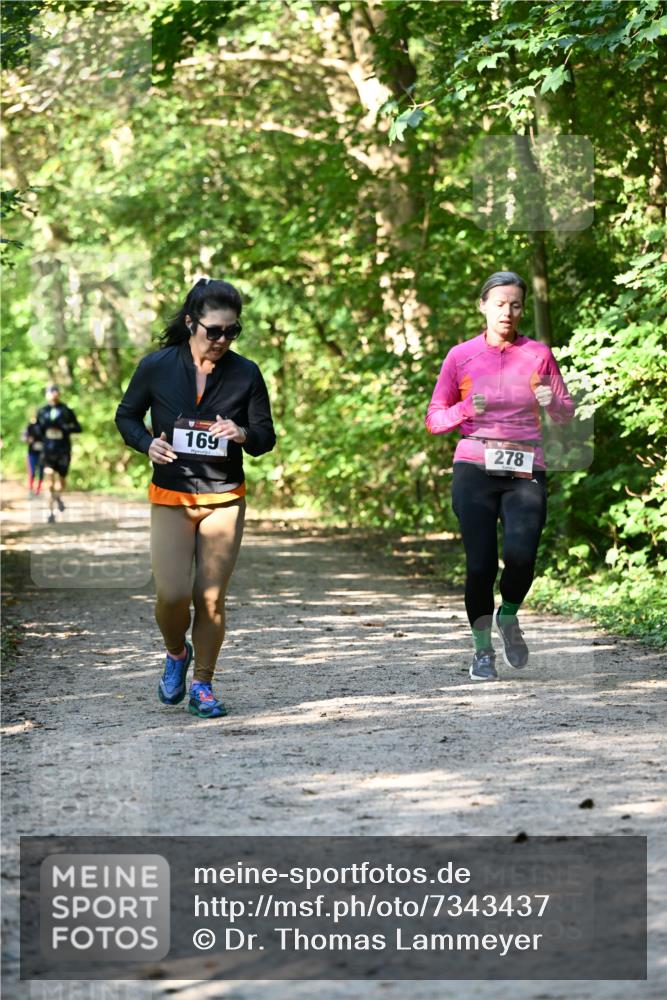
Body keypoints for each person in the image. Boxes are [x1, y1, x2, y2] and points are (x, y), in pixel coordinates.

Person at [115, 277, 276, 719]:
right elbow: (126, 415)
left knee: (209, 598)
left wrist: (243, 433)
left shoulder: (246, 373)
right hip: (171, 495)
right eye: (214, 331)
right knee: (170, 595)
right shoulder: (157, 366)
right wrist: (146, 443)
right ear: (191, 323)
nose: (223, 340)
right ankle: (176, 654)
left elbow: (266, 437)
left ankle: (202, 684)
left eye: (232, 331)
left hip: (224, 498)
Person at [425, 271, 575, 681]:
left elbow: (565, 414)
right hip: (475, 466)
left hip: (525, 467)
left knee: (522, 556)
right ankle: (481, 651)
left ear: (522, 309)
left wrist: (553, 401)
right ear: (483, 307)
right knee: (479, 566)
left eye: (516, 304)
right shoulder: (461, 356)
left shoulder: (538, 354)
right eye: (500, 303)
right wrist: (465, 410)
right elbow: (435, 419)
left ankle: (508, 615)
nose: (507, 311)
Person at [36, 384, 82, 522]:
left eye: (56, 391)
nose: (53, 394)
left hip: (63, 450)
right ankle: (50, 513)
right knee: (48, 481)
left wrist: (64, 428)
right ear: (46, 394)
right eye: (51, 392)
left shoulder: (66, 410)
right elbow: (36, 428)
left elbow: (78, 428)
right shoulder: (42, 411)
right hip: (48, 450)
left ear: (59, 394)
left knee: (61, 482)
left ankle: (58, 497)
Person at [22, 413, 45, 498]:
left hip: (42, 453)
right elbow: (23, 437)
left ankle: (39, 490)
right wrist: (28, 439)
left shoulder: (44, 427)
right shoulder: (29, 426)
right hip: (32, 453)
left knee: (41, 472)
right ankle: (31, 490)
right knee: (32, 472)